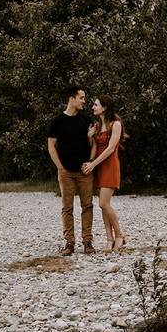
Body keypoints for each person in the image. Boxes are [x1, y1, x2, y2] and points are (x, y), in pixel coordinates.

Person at [47, 85, 96, 255]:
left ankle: (87, 242)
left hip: (84, 171)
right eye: (81, 98)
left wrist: (90, 162)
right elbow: (51, 146)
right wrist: (60, 167)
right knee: (67, 207)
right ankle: (69, 243)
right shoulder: (57, 121)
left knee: (87, 205)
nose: (84, 101)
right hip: (66, 171)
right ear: (72, 99)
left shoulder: (86, 120)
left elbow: (94, 145)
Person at [82, 96, 126, 252]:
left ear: (105, 107)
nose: (93, 107)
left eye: (96, 104)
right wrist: (89, 137)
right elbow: (94, 147)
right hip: (99, 166)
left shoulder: (116, 125)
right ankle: (109, 239)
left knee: (103, 203)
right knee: (104, 205)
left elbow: (110, 149)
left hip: (109, 165)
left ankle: (120, 235)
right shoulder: (97, 125)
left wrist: (93, 164)